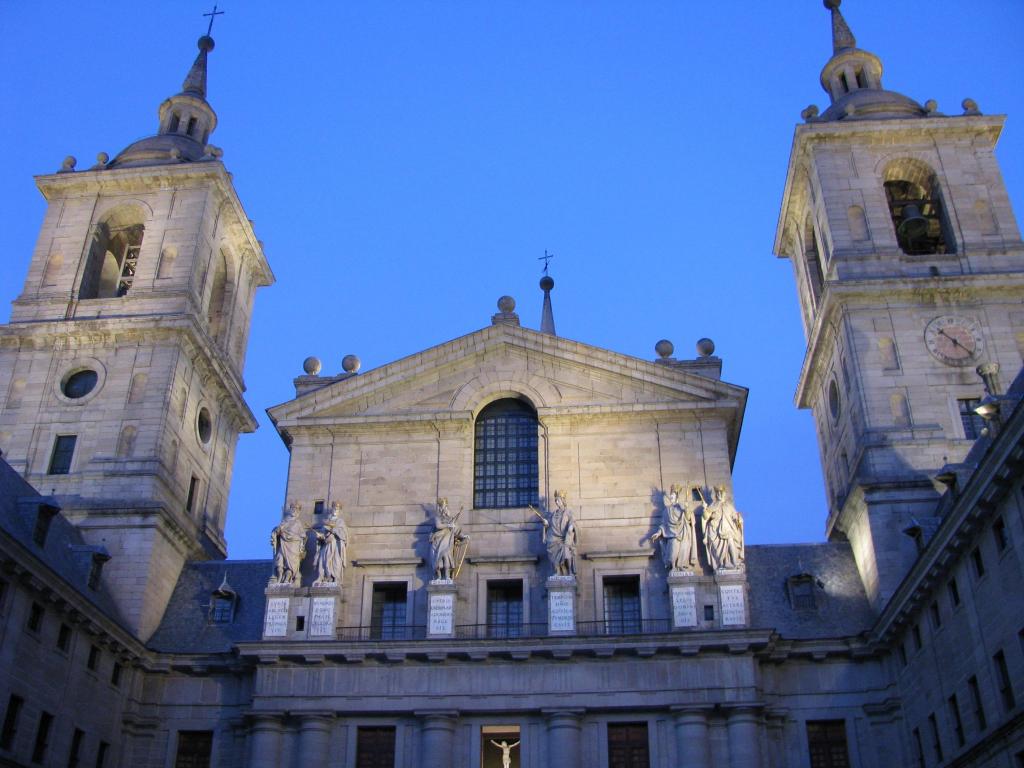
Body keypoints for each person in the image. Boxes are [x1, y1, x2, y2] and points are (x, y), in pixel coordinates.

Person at [651, 483, 699, 572]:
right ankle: (673, 566)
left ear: (676, 496)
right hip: (672, 535)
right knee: (673, 552)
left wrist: (687, 510)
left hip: (684, 533)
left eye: (673, 494)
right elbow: (663, 524)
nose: (671, 496)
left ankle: (681, 566)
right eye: (671, 494)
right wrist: (658, 533)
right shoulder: (667, 510)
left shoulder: (682, 507)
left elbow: (689, 519)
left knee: (684, 550)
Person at [702, 485, 744, 570]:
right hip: (715, 531)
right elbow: (706, 517)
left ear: (724, 494)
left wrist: (739, 518)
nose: (720, 494)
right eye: (718, 493)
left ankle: (734, 562)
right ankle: (721, 564)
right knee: (717, 549)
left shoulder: (729, 506)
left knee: (730, 542)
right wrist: (704, 508)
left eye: (721, 492)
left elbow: (734, 516)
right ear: (716, 495)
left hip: (727, 529)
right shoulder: (713, 505)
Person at [540, 490, 579, 576]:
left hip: (565, 537)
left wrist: (571, 526)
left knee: (566, 552)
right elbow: (549, 523)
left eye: (558, 500)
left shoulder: (568, 512)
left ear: (562, 500)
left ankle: (570, 572)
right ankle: (557, 571)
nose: (556, 502)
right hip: (554, 537)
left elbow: (572, 521)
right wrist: (546, 524)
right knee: (552, 549)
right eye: (556, 500)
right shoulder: (554, 513)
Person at [430, 498, 467, 581]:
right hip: (438, 542)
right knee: (438, 559)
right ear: (440, 508)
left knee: (447, 558)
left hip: (447, 542)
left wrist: (463, 536)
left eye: (446, 507)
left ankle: (447, 577)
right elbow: (438, 526)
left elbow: (456, 530)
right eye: (444, 507)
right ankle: (438, 577)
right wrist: (448, 525)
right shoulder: (438, 517)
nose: (445, 509)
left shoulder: (450, 519)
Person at [270, 502, 307, 585]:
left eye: (296, 509)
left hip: (293, 546)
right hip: (283, 544)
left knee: (291, 564)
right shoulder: (284, 522)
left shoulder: (298, 523)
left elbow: (303, 535)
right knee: (279, 561)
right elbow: (277, 531)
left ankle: (287, 578)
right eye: (293, 508)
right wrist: (277, 531)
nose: (294, 511)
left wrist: (292, 537)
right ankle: (280, 577)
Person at [313, 501, 348, 585]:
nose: (335, 510)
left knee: (336, 561)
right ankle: (324, 577)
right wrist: (320, 536)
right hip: (326, 545)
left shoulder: (340, 521)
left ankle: (335, 577)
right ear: (331, 509)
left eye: (337, 509)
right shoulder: (326, 521)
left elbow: (343, 535)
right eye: (334, 508)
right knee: (324, 561)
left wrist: (333, 530)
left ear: (339, 511)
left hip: (336, 545)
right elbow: (322, 533)